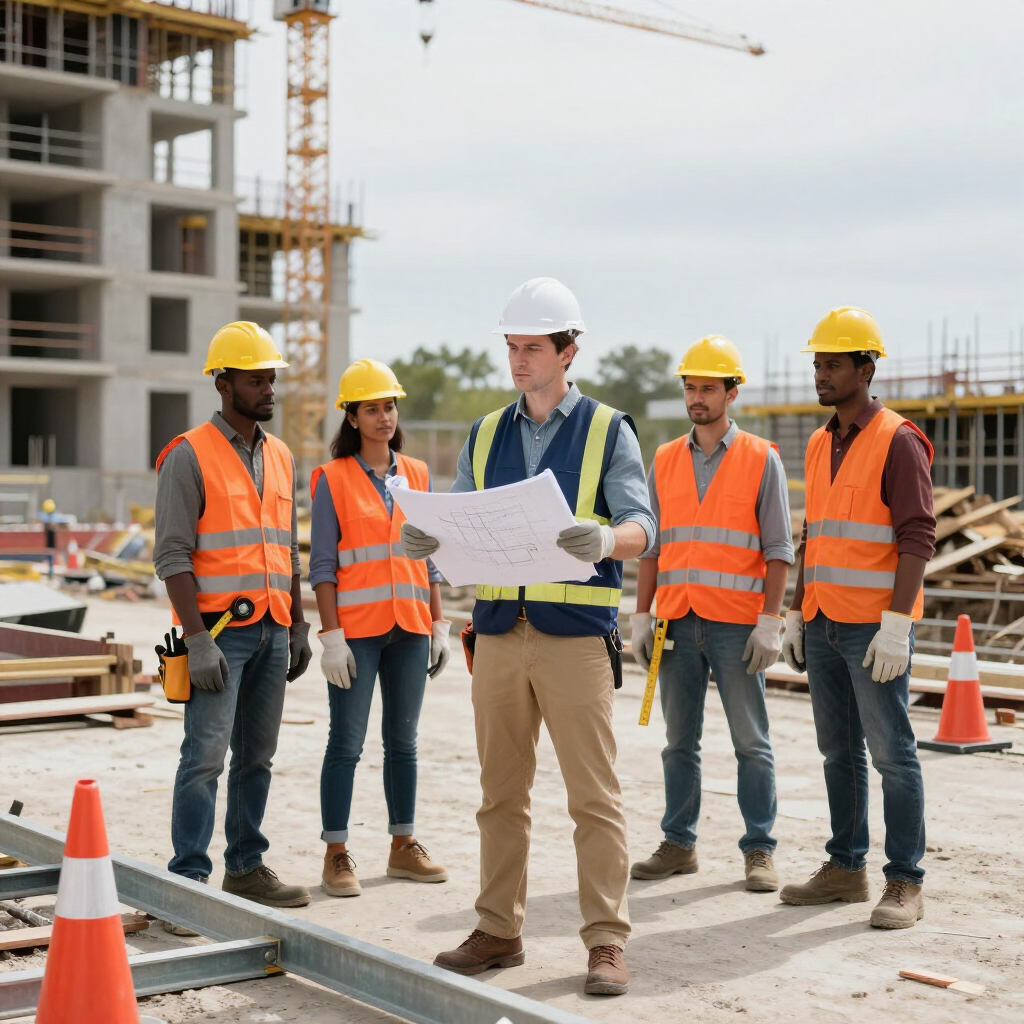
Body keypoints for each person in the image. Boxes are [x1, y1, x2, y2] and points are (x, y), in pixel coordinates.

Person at [402, 278, 656, 996]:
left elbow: (646, 526)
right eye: (511, 347)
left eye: (532, 349)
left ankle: (606, 941)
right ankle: (498, 930)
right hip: (498, 636)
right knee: (500, 794)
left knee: (593, 798)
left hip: (575, 636)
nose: (518, 361)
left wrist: (608, 536)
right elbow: (458, 518)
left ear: (568, 351)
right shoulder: (486, 433)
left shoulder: (609, 429)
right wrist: (429, 534)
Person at [779, 307, 935, 929]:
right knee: (836, 752)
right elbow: (814, 533)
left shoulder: (898, 439)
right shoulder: (820, 442)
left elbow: (918, 535)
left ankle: (905, 881)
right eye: (817, 363)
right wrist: (795, 610)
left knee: (891, 753)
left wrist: (898, 622)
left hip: (874, 629)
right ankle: (846, 867)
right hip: (821, 621)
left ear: (866, 369)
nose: (822, 373)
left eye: (834, 364)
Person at [153, 322, 313, 909]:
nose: (269, 387)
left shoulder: (282, 455)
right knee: (203, 759)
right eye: (256, 378)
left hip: (273, 630)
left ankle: (245, 866)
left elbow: (287, 547)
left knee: (257, 758)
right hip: (219, 636)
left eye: (272, 377)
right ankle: (187, 882)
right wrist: (196, 641)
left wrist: (297, 624)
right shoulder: (188, 455)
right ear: (224, 384)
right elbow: (171, 555)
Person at [630, 336, 794, 892]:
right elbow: (651, 546)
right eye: (690, 387)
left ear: (732, 393)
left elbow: (778, 550)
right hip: (676, 620)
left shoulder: (760, 458)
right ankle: (679, 844)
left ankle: (760, 850)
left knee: (751, 741)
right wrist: (641, 615)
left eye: (707, 388)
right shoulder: (665, 459)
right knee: (679, 741)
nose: (696, 398)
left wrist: (771, 622)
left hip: (736, 626)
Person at [309, 358, 451, 898]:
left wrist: (437, 621)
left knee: (403, 742)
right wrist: (331, 637)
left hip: (410, 626)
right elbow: (322, 564)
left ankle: (402, 846)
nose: (384, 416)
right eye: (372, 408)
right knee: (345, 743)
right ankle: (336, 853)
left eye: (389, 405)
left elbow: (429, 556)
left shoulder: (416, 473)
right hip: (358, 632)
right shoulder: (333, 479)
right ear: (351, 417)